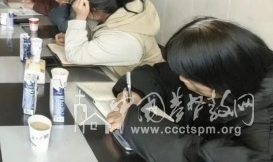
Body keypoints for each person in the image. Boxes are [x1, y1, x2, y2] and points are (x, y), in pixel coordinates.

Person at [107, 17, 273, 161]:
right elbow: (157, 74)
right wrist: (132, 94)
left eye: (186, 75)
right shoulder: (220, 71)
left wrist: (134, 122)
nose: (180, 78)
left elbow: (199, 157)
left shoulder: (263, 132)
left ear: (218, 80)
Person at [55, 0, 163, 77]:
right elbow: (102, 36)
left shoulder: (125, 39)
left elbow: (74, 55)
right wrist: (72, 38)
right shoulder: (118, 11)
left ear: (93, 10)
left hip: (140, 88)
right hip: (115, 77)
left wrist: (79, 19)